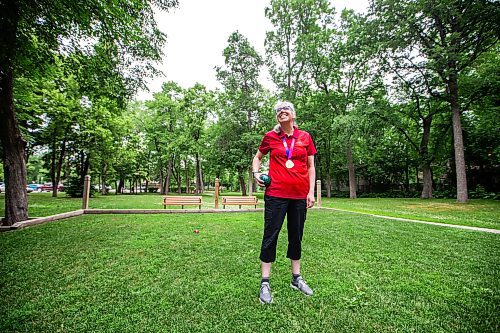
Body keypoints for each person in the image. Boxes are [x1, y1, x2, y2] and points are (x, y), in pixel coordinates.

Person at [252, 100, 317, 304]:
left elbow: (311, 167)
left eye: (285, 109)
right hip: (276, 195)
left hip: (299, 195)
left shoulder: (305, 137)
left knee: (296, 236)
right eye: (278, 111)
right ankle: (265, 282)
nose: (281, 111)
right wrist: (256, 173)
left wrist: (311, 192)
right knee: (271, 235)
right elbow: (257, 157)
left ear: (293, 115)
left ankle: (296, 278)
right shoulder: (270, 137)